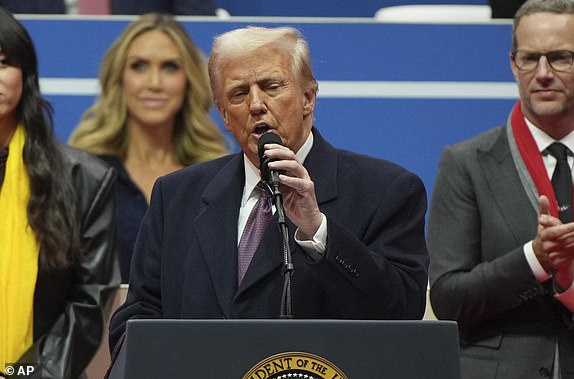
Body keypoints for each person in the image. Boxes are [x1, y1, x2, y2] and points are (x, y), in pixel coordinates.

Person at [108, 25, 429, 352]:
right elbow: (138, 316)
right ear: (224, 115)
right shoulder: (176, 197)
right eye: (239, 94)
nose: (256, 104)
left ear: (308, 98)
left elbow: (401, 314)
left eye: (271, 86)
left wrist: (318, 231)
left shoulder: (385, 191)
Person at [427, 0, 574, 378]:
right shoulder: (466, 163)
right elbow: (447, 298)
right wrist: (535, 259)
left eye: (560, 57)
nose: (543, 73)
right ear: (513, 64)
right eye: (530, 58)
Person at [0, 6, 119, 379]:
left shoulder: (84, 178)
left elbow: (89, 297)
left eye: (4, 62)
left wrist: (28, 375)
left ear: (26, 73)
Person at [69, 13, 229, 282]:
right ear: (118, 79)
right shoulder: (84, 173)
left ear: (188, 80)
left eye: (169, 67)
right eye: (139, 66)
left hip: (190, 324)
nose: (154, 83)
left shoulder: (217, 176)